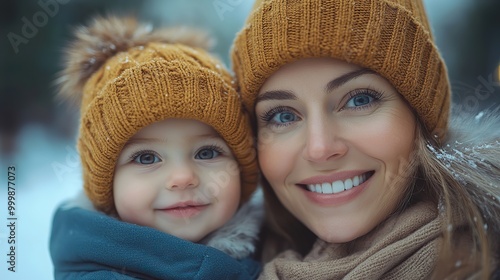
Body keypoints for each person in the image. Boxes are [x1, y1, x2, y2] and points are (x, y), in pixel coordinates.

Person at [231, 0, 500, 279]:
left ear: (422, 116)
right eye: (283, 116)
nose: (320, 148)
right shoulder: (234, 265)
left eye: (360, 100)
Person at [50, 15, 262, 279]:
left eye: (206, 153)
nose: (183, 178)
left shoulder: (275, 249)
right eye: (146, 158)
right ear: (106, 184)